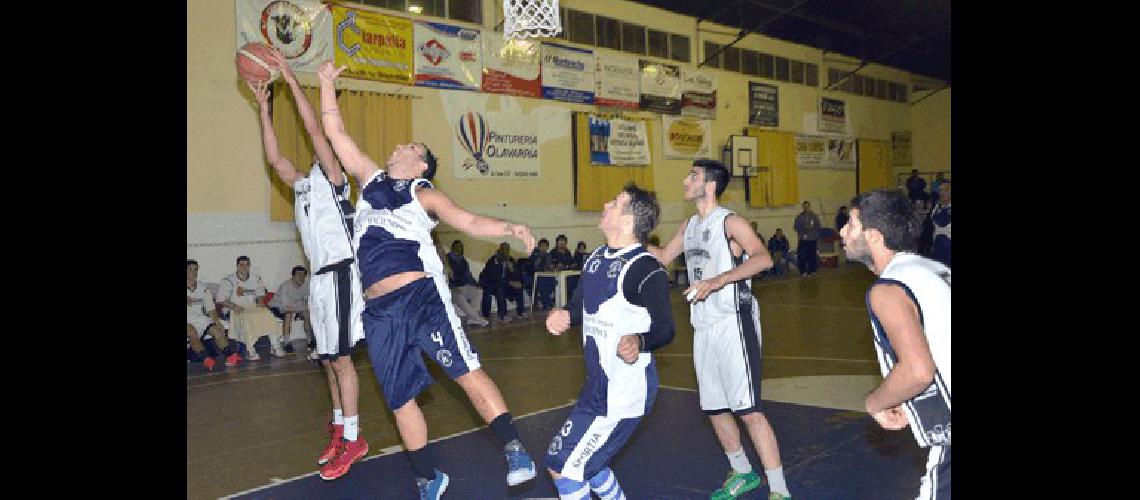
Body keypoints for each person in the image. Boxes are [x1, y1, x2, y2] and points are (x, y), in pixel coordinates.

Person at [319, 60, 538, 498]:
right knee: (399, 399)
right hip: (378, 310)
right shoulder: (370, 179)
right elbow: (336, 133)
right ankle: (428, 477)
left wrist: (509, 228)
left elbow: (468, 220)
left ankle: (515, 449)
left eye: (410, 145)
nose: (399, 144)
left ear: (421, 165)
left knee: (464, 371)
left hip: (421, 296)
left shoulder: (424, 194)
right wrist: (325, 84)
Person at [249, 56, 371, 481]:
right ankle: (339, 428)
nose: (318, 149)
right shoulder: (304, 186)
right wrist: (264, 108)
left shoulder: (336, 179)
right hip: (319, 282)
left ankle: (354, 437)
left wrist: (290, 79)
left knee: (341, 360)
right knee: (326, 361)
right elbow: (275, 158)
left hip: (339, 273)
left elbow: (315, 130)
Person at [648, 160, 792, 500]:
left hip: (733, 322)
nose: (686, 180)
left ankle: (780, 491)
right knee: (714, 407)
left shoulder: (730, 222)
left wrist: (718, 280)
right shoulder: (688, 226)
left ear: (710, 185)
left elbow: (763, 258)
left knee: (748, 409)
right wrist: (627, 242)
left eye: (693, 176)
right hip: (703, 325)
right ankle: (743, 473)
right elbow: (663, 256)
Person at [545, 184, 675, 500]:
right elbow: (579, 308)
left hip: (623, 392)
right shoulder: (595, 258)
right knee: (589, 464)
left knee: (562, 466)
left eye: (615, 203)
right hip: (598, 387)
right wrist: (563, 315)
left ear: (629, 220)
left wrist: (639, 341)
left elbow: (666, 329)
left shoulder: (645, 268)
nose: (605, 203)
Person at [838, 189, 950, 499]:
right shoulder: (935, 271)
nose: (842, 231)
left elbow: (917, 371)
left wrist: (876, 402)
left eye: (850, 224)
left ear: (873, 236)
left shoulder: (888, 288)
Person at [217, 255, 286, 360]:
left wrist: (260, 302)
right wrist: (234, 306)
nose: (244, 267)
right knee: (247, 319)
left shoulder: (256, 279)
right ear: (237, 266)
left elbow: (260, 295)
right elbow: (221, 300)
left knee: (268, 315)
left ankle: (275, 346)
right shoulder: (228, 280)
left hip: (252, 308)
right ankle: (250, 350)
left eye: (247, 265)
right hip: (234, 309)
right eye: (241, 265)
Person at [187, 260, 239, 370]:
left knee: (218, 331)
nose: (194, 272)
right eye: (190, 269)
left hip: (199, 318)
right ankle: (207, 359)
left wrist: (218, 323)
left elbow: (211, 309)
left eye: (196, 269)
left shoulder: (203, 288)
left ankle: (231, 356)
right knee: (192, 332)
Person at [269, 266, 314, 354]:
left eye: (304, 275)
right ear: (293, 276)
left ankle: (310, 340)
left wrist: (303, 307)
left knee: (307, 313)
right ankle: (287, 343)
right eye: (299, 274)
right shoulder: (286, 286)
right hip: (277, 307)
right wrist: (302, 306)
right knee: (288, 314)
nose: (301, 277)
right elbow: (286, 306)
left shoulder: (306, 285)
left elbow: (308, 302)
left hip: (295, 307)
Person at [445, 240, 490, 328]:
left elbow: (468, 276)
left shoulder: (463, 260)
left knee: (478, 291)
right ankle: (478, 319)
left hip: (464, 286)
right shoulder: (446, 259)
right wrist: (452, 287)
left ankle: (472, 319)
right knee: (460, 296)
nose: (460, 248)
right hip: (450, 288)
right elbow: (443, 277)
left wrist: (476, 284)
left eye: (461, 247)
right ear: (452, 247)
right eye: (457, 246)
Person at [479, 243, 528, 323]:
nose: (505, 252)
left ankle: (521, 312)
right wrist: (510, 282)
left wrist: (512, 270)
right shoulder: (493, 260)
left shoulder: (511, 260)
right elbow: (495, 277)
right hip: (492, 284)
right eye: (503, 249)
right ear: (500, 250)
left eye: (507, 250)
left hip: (505, 284)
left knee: (519, 286)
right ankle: (502, 315)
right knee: (500, 288)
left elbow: (518, 276)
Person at [794, 201, 821, 277]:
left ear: (809, 206)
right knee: (803, 256)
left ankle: (812, 271)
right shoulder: (799, 217)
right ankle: (803, 271)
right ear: (803, 207)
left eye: (807, 206)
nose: (806, 208)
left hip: (812, 240)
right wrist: (804, 230)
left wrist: (814, 234)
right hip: (803, 240)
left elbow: (818, 227)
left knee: (812, 256)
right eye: (804, 206)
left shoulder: (814, 217)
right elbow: (796, 227)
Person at [530, 238, 556, 310]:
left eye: (545, 246)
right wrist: (540, 256)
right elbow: (535, 266)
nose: (544, 248)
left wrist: (552, 267)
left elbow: (550, 265)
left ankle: (546, 301)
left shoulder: (549, 255)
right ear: (539, 247)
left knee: (554, 282)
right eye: (542, 246)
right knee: (542, 283)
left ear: (548, 247)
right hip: (537, 276)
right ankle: (546, 303)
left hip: (548, 275)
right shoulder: (534, 254)